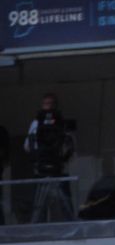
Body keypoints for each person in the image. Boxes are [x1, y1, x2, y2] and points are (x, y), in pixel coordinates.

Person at [24, 93, 74, 223]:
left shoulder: (62, 123)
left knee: (65, 207)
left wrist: (62, 154)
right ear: (42, 105)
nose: (48, 107)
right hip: (41, 170)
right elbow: (27, 146)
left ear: (56, 106)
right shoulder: (36, 123)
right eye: (46, 104)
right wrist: (39, 154)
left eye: (51, 104)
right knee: (39, 208)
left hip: (58, 169)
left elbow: (70, 145)